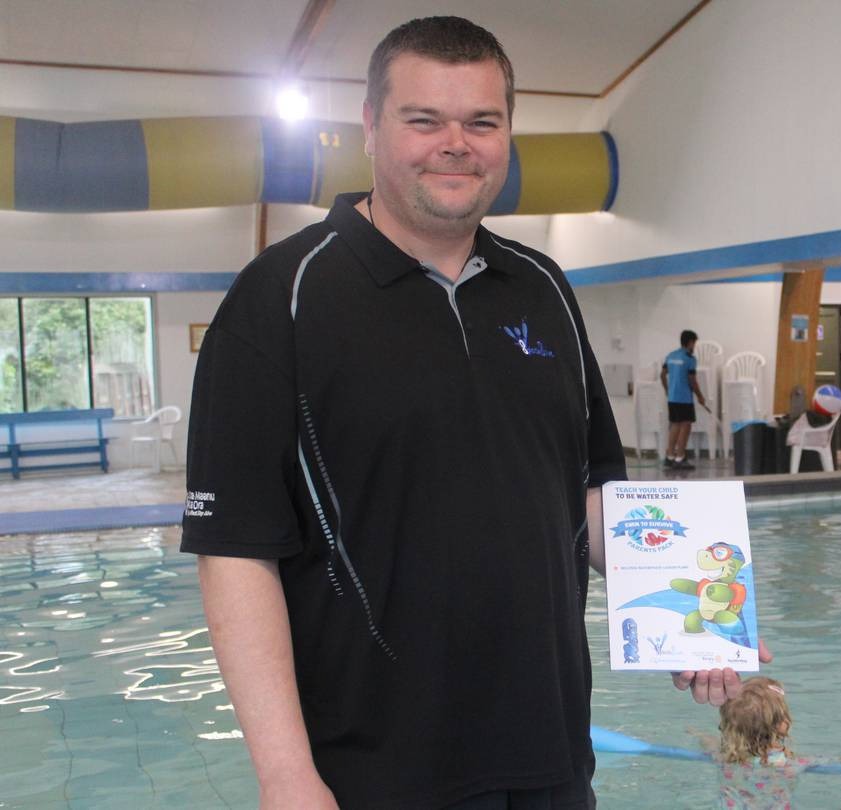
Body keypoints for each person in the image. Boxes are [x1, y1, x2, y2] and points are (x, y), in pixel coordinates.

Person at [181, 18, 759, 809]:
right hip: (373, 771)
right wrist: (285, 775)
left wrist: (691, 617)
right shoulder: (280, 298)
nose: (455, 144)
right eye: (424, 120)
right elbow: (235, 550)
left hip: (550, 755)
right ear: (371, 127)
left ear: (507, 134)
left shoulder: (543, 288)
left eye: (481, 122)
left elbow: (592, 495)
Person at [714, 677, 815, 810]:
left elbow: (709, 743)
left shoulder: (723, 755)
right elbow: (826, 761)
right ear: (780, 725)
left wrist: (697, 734)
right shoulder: (787, 762)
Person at [661, 329, 708, 470]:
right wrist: (700, 396)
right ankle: (680, 457)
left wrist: (667, 390)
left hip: (672, 398)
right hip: (684, 399)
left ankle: (670, 456)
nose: (694, 346)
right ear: (690, 342)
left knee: (675, 425)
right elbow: (692, 380)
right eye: (694, 343)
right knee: (685, 426)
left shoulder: (671, 356)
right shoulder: (690, 359)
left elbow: (662, 375)